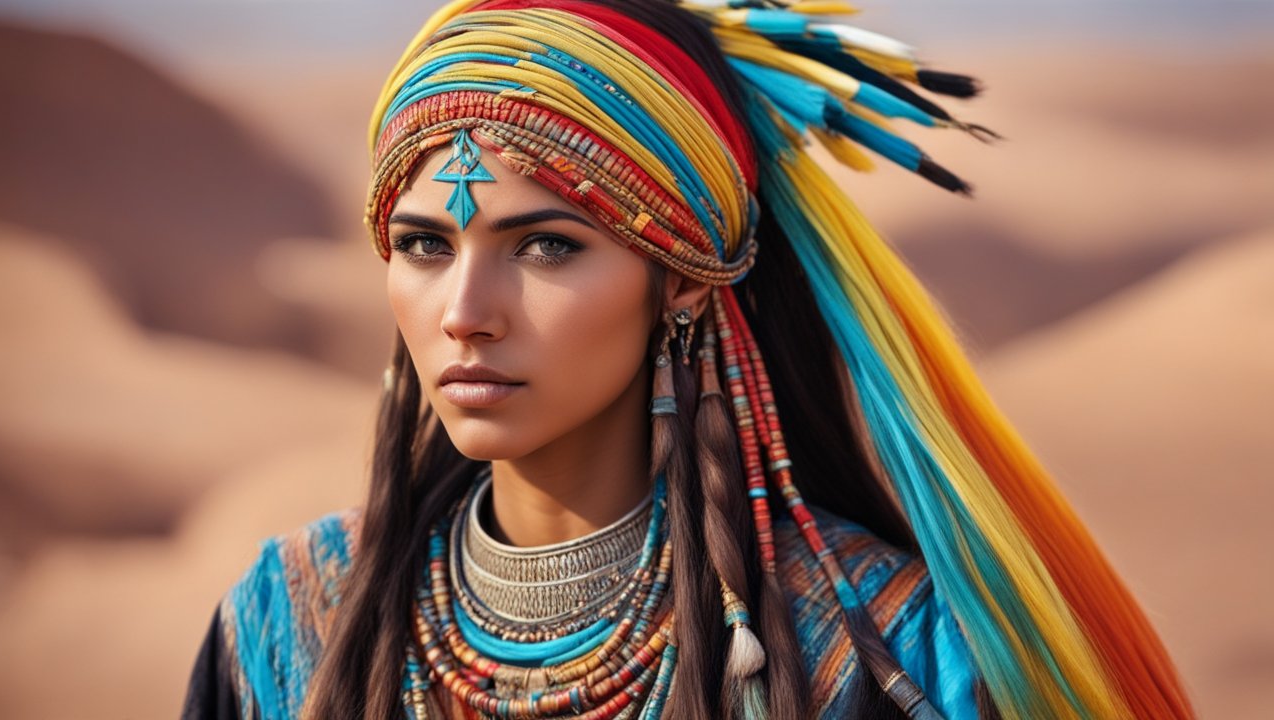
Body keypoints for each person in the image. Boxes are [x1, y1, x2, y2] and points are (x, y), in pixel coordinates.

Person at [182, 0, 1194, 718]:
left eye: (545, 247)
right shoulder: (284, 628)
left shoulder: (885, 654)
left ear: (682, 278)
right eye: (423, 246)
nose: (465, 313)